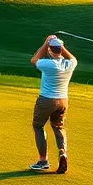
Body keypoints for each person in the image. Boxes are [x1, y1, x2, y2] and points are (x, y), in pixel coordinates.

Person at [28, 35, 77, 173]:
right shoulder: (71, 64)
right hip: (63, 101)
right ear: (61, 49)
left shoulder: (48, 64)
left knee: (38, 126)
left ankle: (43, 160)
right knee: (58, 126)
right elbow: (72, 57)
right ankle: (63, 153)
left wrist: (45, 43)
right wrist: (60, 46)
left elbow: (34, 60)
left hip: (46, 100)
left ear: (50, 50)